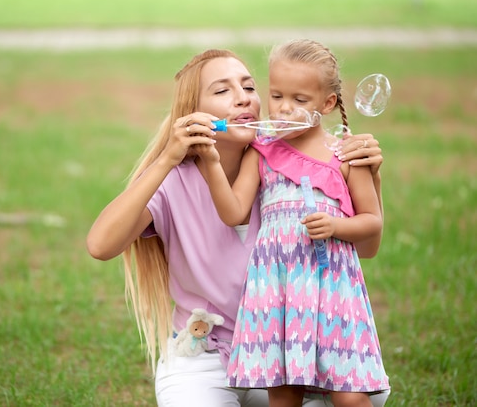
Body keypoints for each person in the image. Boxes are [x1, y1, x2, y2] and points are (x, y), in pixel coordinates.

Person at [86, 48, 388, 407]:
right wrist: (168, 156)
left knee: (366, 396)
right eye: (222, 91)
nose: (243, 98)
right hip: (205, 358)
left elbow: (366, 248)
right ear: (193, 114)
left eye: (249, 87)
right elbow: (100, 245)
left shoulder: (287, 165)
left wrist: (368, 179)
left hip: (286, 344)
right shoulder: (176, 181)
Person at [196, 39, 390, 407]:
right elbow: (234, 211)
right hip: (278, 289)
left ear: (326, 104)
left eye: (300, 101)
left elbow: (372, 223)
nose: (285, 108)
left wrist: (336, 228)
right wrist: (209, 161)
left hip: (333, 289)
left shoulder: (346, 155)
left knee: (350, 398)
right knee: (283, 396)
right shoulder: (262, 151)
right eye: (277, 96)